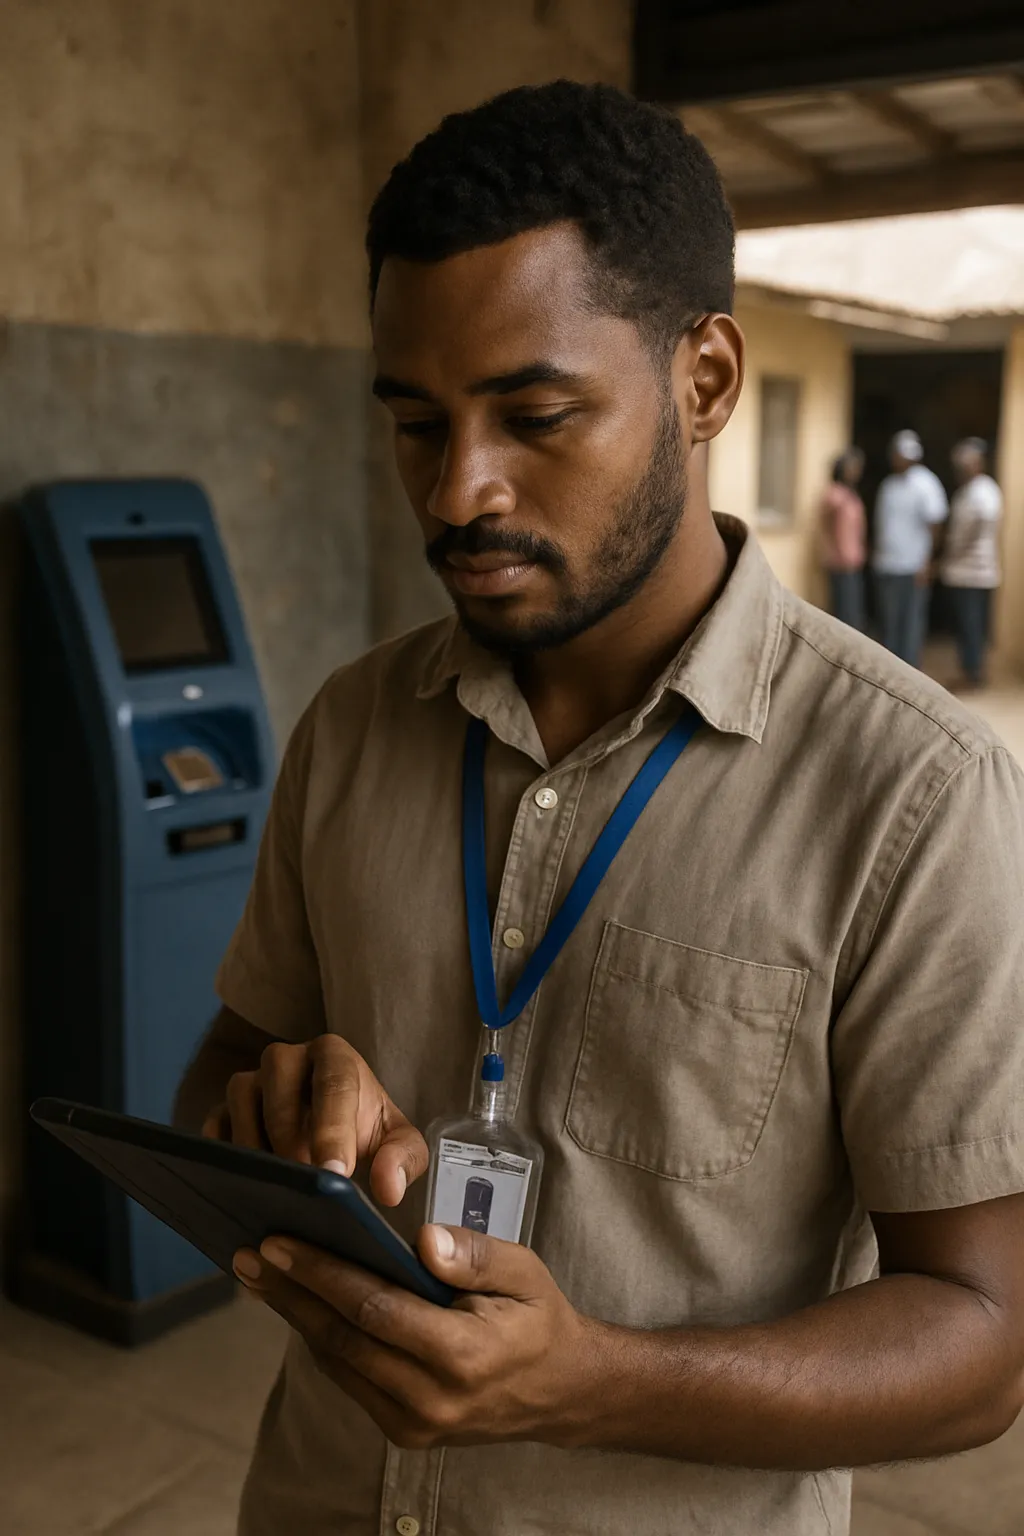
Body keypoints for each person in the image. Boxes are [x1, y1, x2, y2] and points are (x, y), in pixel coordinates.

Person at [175, 83, 1024, 1536]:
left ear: (705, 381)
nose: (462, 491)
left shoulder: (913, 792)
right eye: (415, 424)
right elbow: (222, 1076)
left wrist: (588, 1380)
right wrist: (281, 1115)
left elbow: (982, 1341)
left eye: (537, 413)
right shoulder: (354, 728)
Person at [872, 429, 948, 667]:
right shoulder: (889, 485)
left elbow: (936, 523)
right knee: (889, 621)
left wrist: (929, 562)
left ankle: (909, 671)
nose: (897, 459)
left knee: (911, 622)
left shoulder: (926, 483)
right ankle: (891, 671)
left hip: (913, 566)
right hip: (887, 564)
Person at [940, 437, 1002, 691]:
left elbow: (983, 520)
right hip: (961, 571)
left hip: (976, 572)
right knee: (965, 625)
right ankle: (968, 670)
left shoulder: (985, 490)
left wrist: (961, 545)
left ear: (977, 463)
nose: (961, 469)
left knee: (972, 625)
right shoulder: (965, 491)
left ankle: (974, 674)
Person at [818, 447, 866, 630]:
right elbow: (826, 527)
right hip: (840, 561)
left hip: (853, 560)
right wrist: (833, 551)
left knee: (853, 609)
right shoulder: (834, 495)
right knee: (844, 612)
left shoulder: (850, 494)